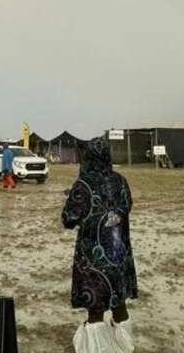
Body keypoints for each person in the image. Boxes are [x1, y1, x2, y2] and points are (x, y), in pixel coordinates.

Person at [62, 137, 137, 353]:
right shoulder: (121, 181)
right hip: (119, 255)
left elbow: (68, 219)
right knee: (119, 304)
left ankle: (97, 349)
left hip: (93, 260)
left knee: (95, 309)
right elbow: (127, 206)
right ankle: (124, 346)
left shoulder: (83, 184)